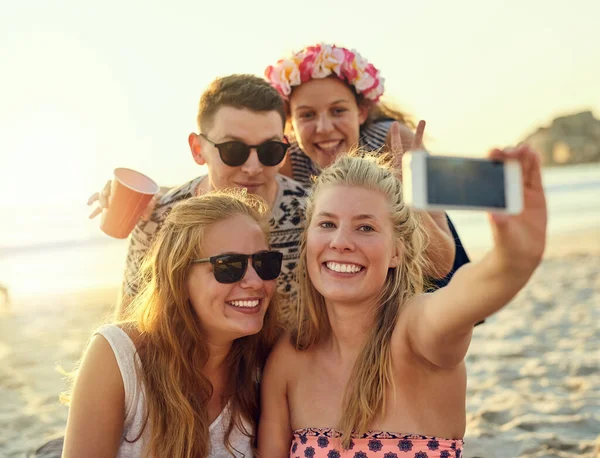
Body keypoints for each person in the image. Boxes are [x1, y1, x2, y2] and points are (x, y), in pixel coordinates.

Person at [258, 145, 547, 457]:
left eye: (365, 227)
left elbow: (467, 295)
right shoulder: (290, 356)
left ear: (397, 251)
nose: (340, 242)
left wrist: (513, 260)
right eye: (327, 224)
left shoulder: (415, 335)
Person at [63, 191, 282, 457]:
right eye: (228, 266)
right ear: (179, 276)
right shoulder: (119, 357)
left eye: (264, 263)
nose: (255, 282)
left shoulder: (270, 363)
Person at [264, 43, 470, 287]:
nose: (324, 128)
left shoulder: (394, 142)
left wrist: (409, 198)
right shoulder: (289, 162)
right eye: (307, 115)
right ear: (290, 121)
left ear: (361, 112)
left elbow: (441, 265)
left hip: (425, 272)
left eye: (338, 110)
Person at [102, 74, 309, 317]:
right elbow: (129, 322)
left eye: (270, 150)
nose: (253, 167)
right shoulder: (158, 220)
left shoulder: (313, 216)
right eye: (234, 150)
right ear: (198, 150)